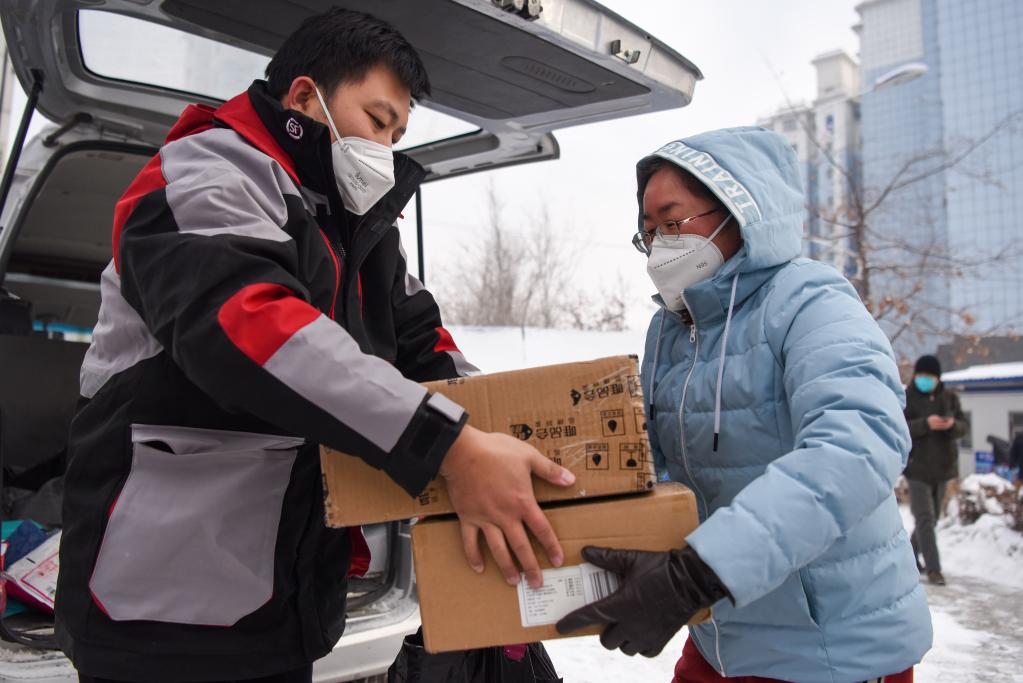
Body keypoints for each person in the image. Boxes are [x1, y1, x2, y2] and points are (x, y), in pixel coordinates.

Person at [55, 9, 574, 682]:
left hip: (282, 600)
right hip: (162, 606)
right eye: (379, 120)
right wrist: (448, 444)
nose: (386, 148)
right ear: (304, 97)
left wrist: (504, 436)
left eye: (399, 133)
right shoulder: (203, 174)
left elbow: (425, 344)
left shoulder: (358, 230)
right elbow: (251, 327)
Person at [556, 127, 931, 683]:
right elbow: (649, 463)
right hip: (721, 635)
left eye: (673, 220)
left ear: (738, 208)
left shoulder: (810, 300)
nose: (660, 243)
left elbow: (857, 448)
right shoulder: (670, 331)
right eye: (648, 231)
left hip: (831, 649)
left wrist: (695, 576)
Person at [903, 354, 969, 586]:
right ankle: (934, 569)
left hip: (943, 469)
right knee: (925, 518)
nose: (924, 379)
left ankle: (909, 554)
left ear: (937, 378)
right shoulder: (906, 398)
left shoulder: (949, 398)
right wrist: (925, 424)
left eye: (929, 376)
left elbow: (963, 426)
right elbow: (900, 428)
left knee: (932, 520)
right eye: (920, 375)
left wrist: (952, 426)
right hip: (917, 468)